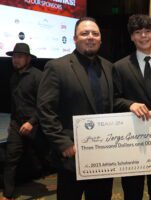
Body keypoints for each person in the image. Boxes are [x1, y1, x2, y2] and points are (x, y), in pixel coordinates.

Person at [37, 17, 114, 200]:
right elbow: (45, 110)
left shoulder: (109, 67)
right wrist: (63, 143)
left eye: (95, 34)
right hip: (71, 157)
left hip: (104, 156)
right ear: (74, 38)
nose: (90, 37)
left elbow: (113, 103)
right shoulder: (57, 67)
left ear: (100, 39)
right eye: (84, 33)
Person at [113, 14, 151, 200]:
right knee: (132, 191)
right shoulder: (119, 66)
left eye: (147, 31)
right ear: (132, 37)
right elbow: (112, 100)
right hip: (131, 139)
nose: (143, 36)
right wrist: (130, 104)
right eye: (138, 32)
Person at [2, 43, 49, 200]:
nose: (16, 60)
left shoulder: (38, 76)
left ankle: (65, 182)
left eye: (20, 57)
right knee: (10, 158)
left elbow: (44, 104)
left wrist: (31, 122)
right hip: (16, 124)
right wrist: (13, 122)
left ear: (28, 59)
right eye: (14, 57)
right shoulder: (13, 77)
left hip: (35, 124)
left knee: (48, 155)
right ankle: (8, 194)